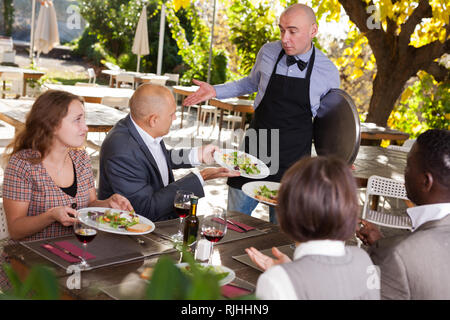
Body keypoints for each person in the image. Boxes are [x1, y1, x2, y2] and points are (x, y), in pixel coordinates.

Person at [183, 3, 340, 223]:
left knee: (282, 235)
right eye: (282, 30)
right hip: (252, 155)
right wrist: (215, 90)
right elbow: (249, 83)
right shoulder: (268, 51)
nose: (285, 38)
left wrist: (337, 158)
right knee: (233, 223)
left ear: (313, 31)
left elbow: (331, 123)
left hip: (293, 164)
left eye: (293, 31)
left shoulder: (328, 71)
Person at [1, 90, 133, 290]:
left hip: (73, 262)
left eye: (84, 120)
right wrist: (51, 215)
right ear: (52, 124)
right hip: (28, 266)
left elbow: (90, 205)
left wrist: (108, 205)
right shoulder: (23, 165)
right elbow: (16, 230)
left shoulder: (81, 159)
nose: (85, 127)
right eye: (77, 120)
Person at [98, 84, 239, 222]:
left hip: (162, 220)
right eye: (172, 114)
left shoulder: (142, 127)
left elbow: (156, 159)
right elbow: (145, 211)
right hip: (135, 231)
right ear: (153, 120)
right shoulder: (122, 151)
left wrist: (197, 155)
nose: (175, 118)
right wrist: (202, 176)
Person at [245, 156, 379, 300]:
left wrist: (285, 276)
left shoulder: (275, 281)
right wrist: (289, 270)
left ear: (286, 214)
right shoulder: (363, 260)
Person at [357, 129, 450, 300]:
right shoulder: (399, 251)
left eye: (408, 166)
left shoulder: (398, 257)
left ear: (426, 181)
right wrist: (381, 243)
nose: (403, 173)